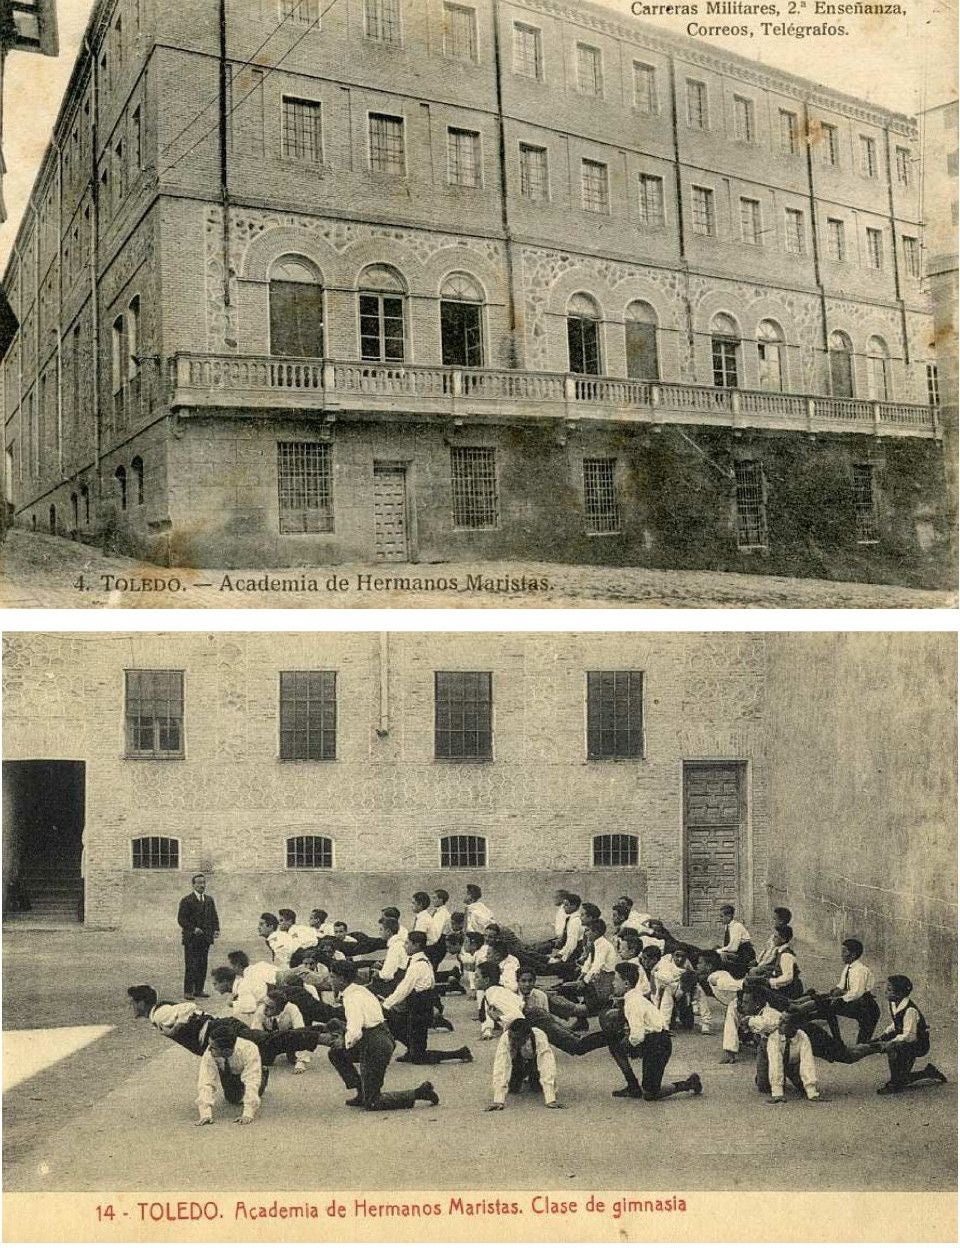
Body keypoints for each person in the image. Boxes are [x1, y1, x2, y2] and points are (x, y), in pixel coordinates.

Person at [325, 960, 440, 1110]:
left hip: (375, 1044)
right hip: (378, 1037)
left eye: (332, 977)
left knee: (373, 1103)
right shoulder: (359, 990)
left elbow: (355, 1030)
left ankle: (419, 1093)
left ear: (341, 979)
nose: (329, 980)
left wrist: (344, 1042)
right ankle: (362, 1091)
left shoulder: (352, 998)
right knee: (336, 1053)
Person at [603, 963, 702, 1101]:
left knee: (651, 1094)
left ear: (626, 983)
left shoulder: (633, 1002)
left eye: (616, 980)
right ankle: (633, 1086)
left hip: (658, 1044)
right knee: (616, 1046)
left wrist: (628, 1047)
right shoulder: (633, 997)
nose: (613, 983)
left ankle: (689, 1083)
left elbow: (637, 1035)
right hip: (655, 1041)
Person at [382, 931, 472, 1065]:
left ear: (416, 945)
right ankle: (412, 1051)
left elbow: (404, 989)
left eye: (407, 943)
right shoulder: (421, 960)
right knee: (404, 1027)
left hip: (420, 1006)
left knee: (419, 1056)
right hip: (420, 1004)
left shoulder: (418, 965)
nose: (405, 946)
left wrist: (387, 1004)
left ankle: (459, 1053)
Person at [792, 939, 881, 1045]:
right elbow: (841, 986)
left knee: (862, 1043)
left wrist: (837, 999)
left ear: (853, 954)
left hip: (866, 1006)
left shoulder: (860, 970)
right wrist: (834, 992)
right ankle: (798, 1006)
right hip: (853, 1000)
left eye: (844, 952)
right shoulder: (848, 967)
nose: (842, 955)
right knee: (824, 1001)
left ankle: (799, 1009)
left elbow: (856, 993)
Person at [874, 975, 947, 1095]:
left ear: (900, 993)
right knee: (902, 1079)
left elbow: (909, 1036)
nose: (885, 992)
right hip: (907, 1041)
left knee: (892, 1048)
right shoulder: (894, 1004)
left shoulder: (910, 1010)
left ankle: (894, 1083)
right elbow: (896, 1022)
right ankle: (927, 1072)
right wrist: (884, 1035)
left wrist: (888, 1042)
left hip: (918, 1044)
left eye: (889, 990)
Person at [196, 1022, 266, 1126]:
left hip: (246, 1070)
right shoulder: (209, 1052)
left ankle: (264, 1073)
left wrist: (248, 1114)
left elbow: (252, 1081)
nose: (209, 1049)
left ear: (227, 1050)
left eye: (213, 1047)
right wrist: (205, 1114)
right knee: (232, 1098)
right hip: (228, 1072)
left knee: (255, 1089)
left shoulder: (249, 1049)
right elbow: (205, 1081)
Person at [488, 1018, 563, 1111]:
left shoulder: (539, 1036)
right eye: (511, 1036)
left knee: (537, 1088)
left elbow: (547, 1065)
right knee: (513, 1089)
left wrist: (550, 1099)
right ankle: (520, 1077)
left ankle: (532, 1077)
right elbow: (501, 1066)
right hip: (516, 1063)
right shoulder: (505, 1038)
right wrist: (498, 1100)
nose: (512, 1041)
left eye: (516, 1039)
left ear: (527, 1036)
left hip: (533, 1062)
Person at [177, 873, 220, 999]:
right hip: (191, 939)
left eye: (203, 883)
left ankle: (199, 990)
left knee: (202, 964)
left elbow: (214, 916)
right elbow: (181, 919)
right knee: (191, 965)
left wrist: (216, 929)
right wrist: (193, 928)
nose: (202, 885)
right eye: (199, 883)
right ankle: (188, 991)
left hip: (205, 938)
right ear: (193, 885)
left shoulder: (209, 900)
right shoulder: (186, 900)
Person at [716, 904, 756, 977]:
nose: (720, 919)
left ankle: (733, 973)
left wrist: (720, 950)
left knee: (723, 955)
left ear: (729, 916)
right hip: (738, 952)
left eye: (721, 916)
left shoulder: (736, 926)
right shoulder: (728, 926)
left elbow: (733, 948)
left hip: (744, 954)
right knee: (716, 948)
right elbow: (729, 945)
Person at [426, 889, 452, 968]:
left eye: (434, 898)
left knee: (430, 970)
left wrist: (428, 945)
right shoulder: (438, 912)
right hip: (435, 944)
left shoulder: (442, 914)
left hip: (437, 945)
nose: (432, 900)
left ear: (441, 900)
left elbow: (436, 933)